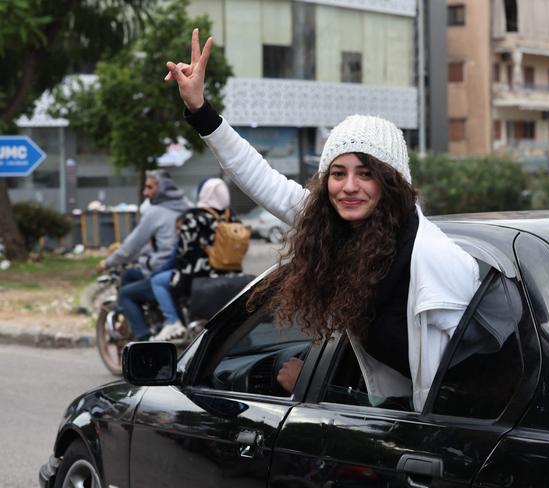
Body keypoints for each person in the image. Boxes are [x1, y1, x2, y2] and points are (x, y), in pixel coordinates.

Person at [165, 29, 479, 411]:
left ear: (391, 182)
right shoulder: (338, 229)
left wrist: (326, 393)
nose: (349, 187)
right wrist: (200, 110)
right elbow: (261, 179)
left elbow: (462, 389)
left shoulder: (434, 259)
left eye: (366, 174)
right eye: (337, 172)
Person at [97, 170, 190, 340]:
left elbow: (132, 245)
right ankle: (151, 318)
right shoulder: (187, 206)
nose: (145, 193)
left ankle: (143, 338)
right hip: (185, 268)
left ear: (161, 188)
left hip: (166, 272)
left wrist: (108, 262)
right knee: (130, 274)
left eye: (149, 187)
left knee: (125, 294)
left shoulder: (155, 212)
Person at [150, 177, 233, 342]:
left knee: (158, 281)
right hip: (229, 274)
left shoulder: (194, 217)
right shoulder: (231, 217)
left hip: (195, 277)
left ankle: (172, 322)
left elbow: (182, 254)